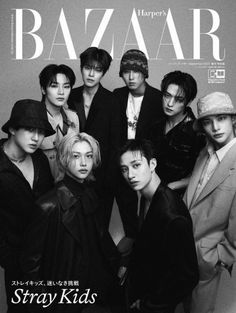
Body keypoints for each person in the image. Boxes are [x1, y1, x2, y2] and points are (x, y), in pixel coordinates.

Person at [36, 132, 120, 313]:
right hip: (63, 295)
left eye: (89, 156)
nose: (84, 163)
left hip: (93, 290)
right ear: (64, 159)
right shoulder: (48, 206)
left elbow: (99, 242)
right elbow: (31, 265)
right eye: (76, 156)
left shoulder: (90, 194)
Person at [119, 139, 199, 313]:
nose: (130, 175)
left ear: (152, 164)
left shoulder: (172, 215)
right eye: (125, 169)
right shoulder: (146, 197)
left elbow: (187, 277)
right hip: (140, 289)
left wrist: (149, 304)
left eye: (136, 165)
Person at [0, 99, 55, 313]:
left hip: (46, 255)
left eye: (41, 131)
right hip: (15, 259)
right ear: (12, 128)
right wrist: (8, 259)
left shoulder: (40, 159)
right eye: (30, 129)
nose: (37, 138)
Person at [183, 92, 236, 313]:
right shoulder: (205, 153)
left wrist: (220, 257)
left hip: (207, 256)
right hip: (182, 251)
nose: (215, 127)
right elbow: (195, 195)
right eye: (207, 121)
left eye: (221, 118)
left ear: (233, 119)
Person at [67, 47, 121, 234]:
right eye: (88, 67)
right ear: (81, 68)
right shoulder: (70, 95)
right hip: (70, 172)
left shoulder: (112, 101)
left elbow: (116, 145)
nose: (91, 74)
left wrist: (107, 180)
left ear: (103, 72)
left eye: (98, 70)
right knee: (71, 228)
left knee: (98, 231)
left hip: (101, 177)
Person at [148, 71, 205, 195]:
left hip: (179, 198)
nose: (170, 103)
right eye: (167, 96)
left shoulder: (197, 133)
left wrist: (172, 186)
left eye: (178, 99)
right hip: (151, 192)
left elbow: (203, 172)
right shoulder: (155, 124)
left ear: (188, 102)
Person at [39, 64, 80, 181]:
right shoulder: (34, 117)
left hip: (68, 186)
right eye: (54, 86)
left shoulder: (73, 117)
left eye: (66, 87)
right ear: (43, 89)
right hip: (42, 187)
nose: (61, 92)